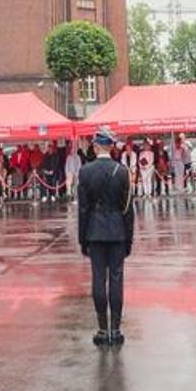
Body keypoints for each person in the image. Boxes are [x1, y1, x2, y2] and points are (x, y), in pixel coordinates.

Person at [77, 129, 135, 346]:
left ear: (95, 146)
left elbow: (83, 210)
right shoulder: (122, 171)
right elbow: (128, 210)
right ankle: (116, 330)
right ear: (111, 147)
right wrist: (129, 239)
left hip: (94, 231)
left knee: (98, 279)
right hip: (117, 232)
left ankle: (102, 330)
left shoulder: (85, 172)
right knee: (117, 279)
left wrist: (83, 239)